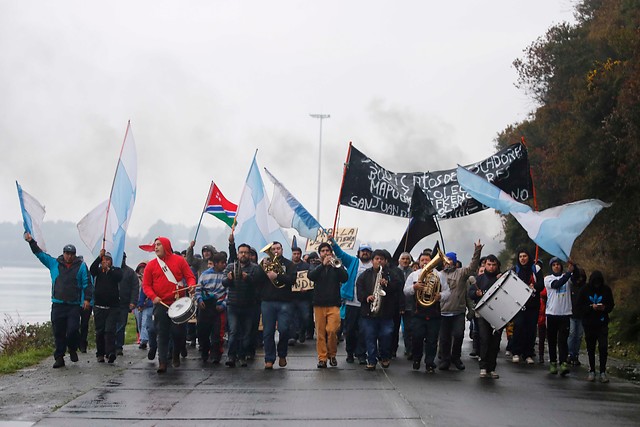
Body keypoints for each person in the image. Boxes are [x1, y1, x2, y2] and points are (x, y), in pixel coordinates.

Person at [24, 232, 91, 368]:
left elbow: (87, 284)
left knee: (72, 330)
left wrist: (87, 300)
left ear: (75, 255)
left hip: (73, 305)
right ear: (63, 253)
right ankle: (59, 357)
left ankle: (72, 349)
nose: (69, 256)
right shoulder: (54, 263)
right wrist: (31, 241)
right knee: (58, 332)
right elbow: (40, 254)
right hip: (58, 304)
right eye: (67, 253)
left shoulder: (81, 266)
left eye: (71, 254)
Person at [141, 237, 196, 373]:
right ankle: (162, 362)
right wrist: (153, 297)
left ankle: (176, 353)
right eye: (155, 245)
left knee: (178, 333)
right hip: (161, 303)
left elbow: (190, 276)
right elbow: (146, 285)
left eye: (159, 245)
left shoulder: (179, 260)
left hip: (178, 303)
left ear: (166, 246)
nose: (156, 247)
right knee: (162, 333)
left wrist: (191, 286)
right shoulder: (151, 265)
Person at [404, 252, 450, 373]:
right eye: (422, 260)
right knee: (417, 338)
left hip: (434, 312)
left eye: (427, 260)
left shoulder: (439, 275)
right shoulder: (414, 275)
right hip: (418, 312)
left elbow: (448, 292)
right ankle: (417, 359)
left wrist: (440, 296)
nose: (425, 262)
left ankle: (429, 363)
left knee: (432, 340)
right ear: (419, 262)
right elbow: (405, 291)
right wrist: (414, 288)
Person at [356, 249, 402, 370]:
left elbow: (398, 287)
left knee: (386, 336)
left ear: (386, 261)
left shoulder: (392, 274)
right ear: (372, 261)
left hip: (386, 313)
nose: (379, 261)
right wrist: (367, 297)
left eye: (381, 259)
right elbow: (359, 290)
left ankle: (385, 356)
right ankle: (371, 360)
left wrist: (388, 284)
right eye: (377, 259)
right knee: (370, 337)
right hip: (369, 312)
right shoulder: (365, 275)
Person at [439, 243, 482, 371]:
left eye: (450, 260)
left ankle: (456, 358)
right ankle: (445, 359)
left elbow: (473, 266)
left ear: (455, 262)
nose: (448, 262)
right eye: (446, 260)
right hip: (443, 312)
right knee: (444, 338)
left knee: (458, 335)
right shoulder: (439, 274)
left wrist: (477, 251)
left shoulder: (462, 273)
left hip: (458, 312)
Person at [307, 242, 349, 368]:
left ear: (331, 252)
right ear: (320, 253)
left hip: (333, 303)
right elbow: (311, 276)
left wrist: (336, 266)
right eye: (323, 251)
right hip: (319, 304)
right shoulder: (314, 265)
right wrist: (322, 265)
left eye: (328, 251)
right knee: (320, 332)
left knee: (331, 330)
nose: (326, 253)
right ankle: (322, 358)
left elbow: (345, 278)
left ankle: (332, 354)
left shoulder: (336, 264)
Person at [257, 241, 296, 369]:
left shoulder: (289, 264)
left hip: (285, 301)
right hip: (268, 301)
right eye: (273, 249)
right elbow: (257, 279)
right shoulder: (264, 263)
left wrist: (277, 275)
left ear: (282, 250)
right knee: (268, 332)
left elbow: (292, 280)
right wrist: (262, 268)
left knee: (284, 330)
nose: (275, 251)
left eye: (278, 248)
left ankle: (282, 354)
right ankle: (269, 358)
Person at [332, 241, 373, 364]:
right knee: (349, 330)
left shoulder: (374, 266)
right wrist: (333, 243)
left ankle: (361, 353)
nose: (364, 253)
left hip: (366, 304)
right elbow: (340, 253)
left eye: (367, 251)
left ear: (370, 253)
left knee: (363, 330)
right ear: (359, 252)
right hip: (351, 303)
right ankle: (350, 352)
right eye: (362, 250)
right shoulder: (352, 262)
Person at [222, 243, 260, 367]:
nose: (243, 254)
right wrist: (229, 279)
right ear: (238, 254)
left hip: (249, 305)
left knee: (247, 333)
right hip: (233, 305)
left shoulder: (254, 268)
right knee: (233, 332)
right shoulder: (230, 267)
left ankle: (242, 356)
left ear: (249, 255)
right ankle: (231, 356)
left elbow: (258, 283)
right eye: (241, 252)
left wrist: (247, 278)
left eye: (246, 252)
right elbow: (224, 282)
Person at [577, 271, 614, 383]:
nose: (597, 284)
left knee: (603, 347)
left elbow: (611, 305)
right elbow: (579, 306)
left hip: (602, 322)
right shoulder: (584, 289)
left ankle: (602, 371)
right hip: (589, 323)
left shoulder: (606, 290)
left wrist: (604, 308)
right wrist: (590, 307)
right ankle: (592, 370)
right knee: (590, 347)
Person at [510, 248, 545, 365]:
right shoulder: (515, 269)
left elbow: (541, 285)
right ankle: (516, 352)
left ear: (529, 257)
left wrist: (534, 286)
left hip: (533, 305)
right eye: (520, 257)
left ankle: (528, 353)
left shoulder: (536, 269)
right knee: (518, 327)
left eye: (525, 256)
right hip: (519, 305)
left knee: (530, 330)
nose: (522, 259)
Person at [470, 254, 502, 379]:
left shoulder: (501, 278)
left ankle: (492, 368)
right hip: (482, 314)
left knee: (495, 342)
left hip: (499, 314)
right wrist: (476, 293)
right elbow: (470, 293)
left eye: (494, 265)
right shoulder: (479, 279)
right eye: (489, 264)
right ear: (485, 265)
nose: (491, 267)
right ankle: (483, 367)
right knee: (484, 339)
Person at [89, 250, 123, 363]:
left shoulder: (116, 271)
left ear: (111, 262)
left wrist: (108, 269)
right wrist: (99, 257)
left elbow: (118, 277)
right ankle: (100, 353)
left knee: (110, 330)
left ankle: (110, 352)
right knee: (100, 331)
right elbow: (91, 269)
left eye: (108, 260)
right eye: (104, 260)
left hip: (112, 307)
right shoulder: (98, 271)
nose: (106, 262)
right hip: (99, 306)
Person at [544, 257, 576, 377]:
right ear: (551, 267)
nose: (556, 266)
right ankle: (553, 362)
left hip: (565, 314)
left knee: (563, 340)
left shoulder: (568, 278)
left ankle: (563, 363)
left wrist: (574, 267)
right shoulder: (548, 279)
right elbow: (557, 284)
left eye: (558, 264)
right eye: (554, 265)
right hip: (552, 314)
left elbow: (577, 278)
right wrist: (568, 273)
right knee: (552, 340)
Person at [195, 253, 228, 363]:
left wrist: (223, 305)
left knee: (217, 333)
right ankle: (205, 352)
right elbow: (198, 290)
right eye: (222, 263)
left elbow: (228, 292)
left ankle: (215, 355)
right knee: (203, 332)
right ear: (215, 264)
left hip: (218, 307)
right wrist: (199, 300)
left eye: (225, 262)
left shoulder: (226, 276)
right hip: (205, 307)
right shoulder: (204, 275)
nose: (224, 265)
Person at [115, 252, 139, 356]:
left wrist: (133, 302)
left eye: (123, 258)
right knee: (111, 326)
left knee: (121, 325)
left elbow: (135, 288)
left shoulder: (130, 272)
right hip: (112, 303)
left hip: (124, 303)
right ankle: (110, 345)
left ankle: (118, 346)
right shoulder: (112, 271)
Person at [288, 247, 313, 346]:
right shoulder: (288, 266)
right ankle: (293, 335)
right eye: (294, 254)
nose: (296, 255)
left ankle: (302, 331)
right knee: (292, 317)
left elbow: (311, 279)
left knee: (305, 316)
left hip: (304, 297)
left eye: (298, 254)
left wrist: (308, 288)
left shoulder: (307, 266)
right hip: (291, 296)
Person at [396, 252, 414, 360]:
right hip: (396, 305)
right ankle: (392, 350)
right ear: (399, 260)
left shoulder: (413, 273)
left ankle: (409, 349)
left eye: (407, 259)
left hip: (409, 305)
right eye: (403, 258)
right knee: (393, 329)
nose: (405, 261)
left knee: (408, 329)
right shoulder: (394, 271)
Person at [568, 267, 587, 366]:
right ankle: (570, 354)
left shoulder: (585, 287)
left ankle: (576, 354)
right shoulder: (571, 286)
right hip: (571, 313)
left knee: (579, 336)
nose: (580, 279)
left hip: (582, 315)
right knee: (572, 334)